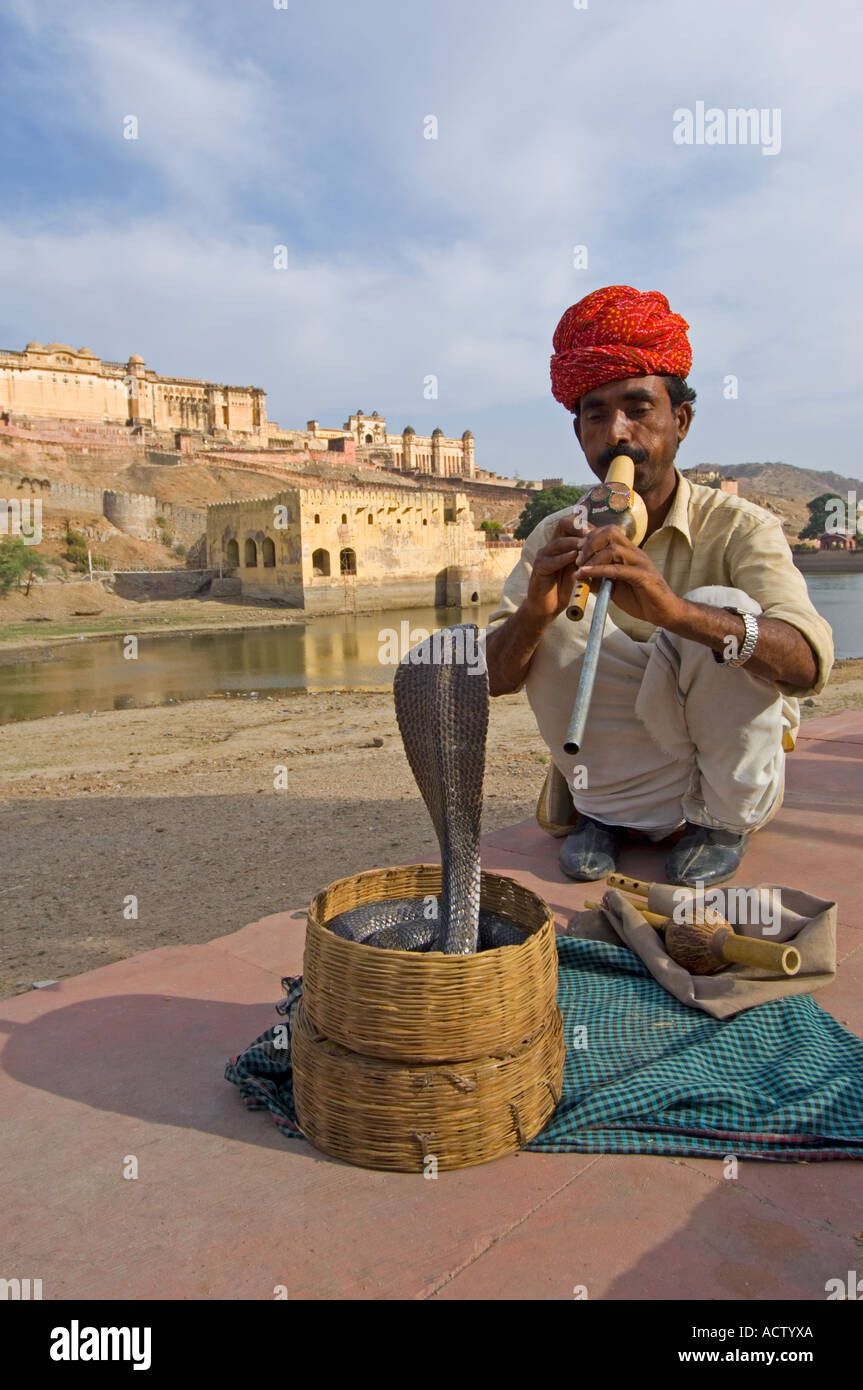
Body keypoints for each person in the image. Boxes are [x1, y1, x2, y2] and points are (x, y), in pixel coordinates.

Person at [485, 285, 833, 887]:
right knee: (554, 631)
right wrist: (537, 612)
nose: (617, 432)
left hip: (720, 772)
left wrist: (676, 613)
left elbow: (807, 665)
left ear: (681, 420)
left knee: (724, 610)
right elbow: (493, 679)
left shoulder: (740, 526)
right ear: (579, 435)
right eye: (596, 414)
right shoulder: (556, 533)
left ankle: (723, 823)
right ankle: (599, 814)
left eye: (638, 408)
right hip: (618, 775)